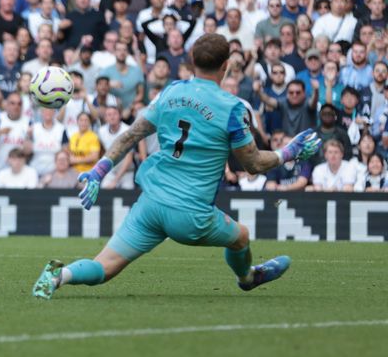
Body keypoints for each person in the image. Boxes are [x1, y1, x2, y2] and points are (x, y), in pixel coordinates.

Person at [32, 34, 321, 300]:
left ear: (191, 59)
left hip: (151, 204)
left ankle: (60, 275)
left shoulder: (171, 92)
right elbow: (254, 164)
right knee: (241, 237)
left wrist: (98, 171)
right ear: (227, 66)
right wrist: (288, 153)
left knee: (103, 267)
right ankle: (247, 278)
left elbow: (131, 134)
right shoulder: (232, 108)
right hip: (190, 215)